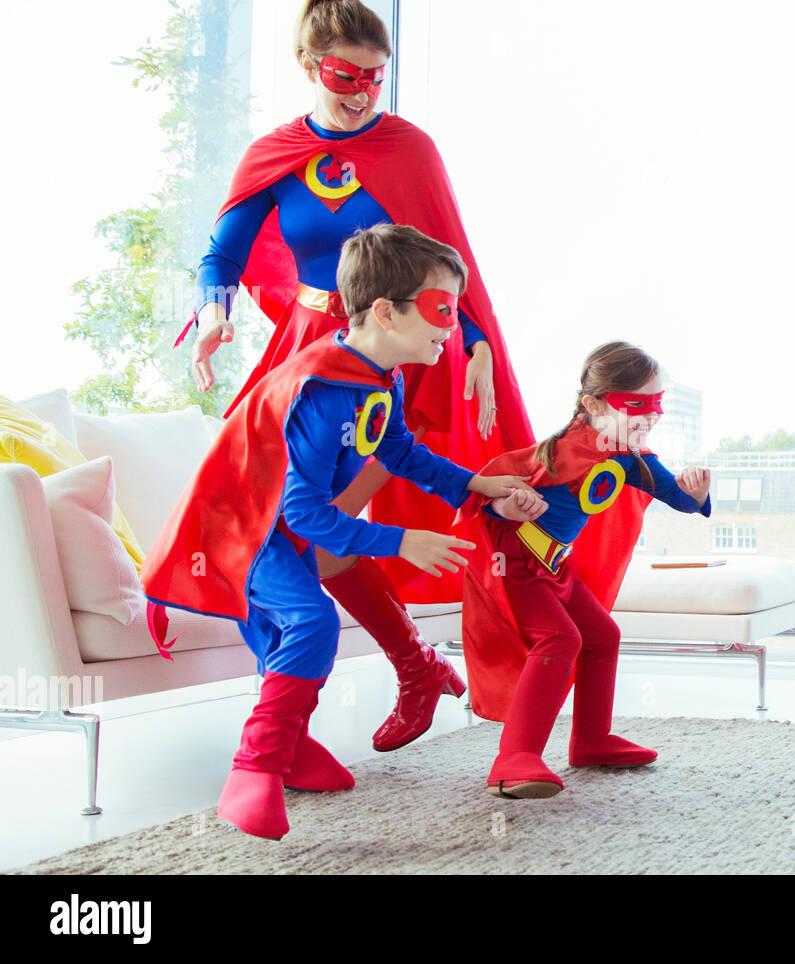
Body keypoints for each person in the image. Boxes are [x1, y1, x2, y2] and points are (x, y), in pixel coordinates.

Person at [182, 0, 533, 752]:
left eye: (378, 76)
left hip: (386, 359)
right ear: (310, 66)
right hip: (303, 357)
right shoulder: (274, 154)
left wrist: (472, 339)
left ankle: (385, 681)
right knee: (261, 529)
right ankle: (369, 688)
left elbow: (446, 263)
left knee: (323, 530)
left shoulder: (408, 149)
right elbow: (222, 256)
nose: (364, 90)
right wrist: (214, 313)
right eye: (347, 74)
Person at [141, 224, 535, 838]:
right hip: (240, 536)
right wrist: (402, 540)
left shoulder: (378, 376)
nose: (451, 327)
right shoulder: (324, 389)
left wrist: (470, 485)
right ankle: (255, 767)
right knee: (310, 622)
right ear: (384, 310)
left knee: (292, 637)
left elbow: (399, 451)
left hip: (276, 532)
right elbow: (303, 514)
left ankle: (290, 750)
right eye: (441, 310)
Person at [455, 342, 712, 799]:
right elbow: (489, 493)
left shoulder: (627, 455)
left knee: (601, 636)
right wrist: (508, 505)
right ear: (593, 403)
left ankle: (591, 740)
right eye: (636, 404)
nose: (651, 415)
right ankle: (513, 758)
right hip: (515, 564)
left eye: (656, 403)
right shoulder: (564, 453)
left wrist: (695, 493)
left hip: (554, 565)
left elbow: (676, 496)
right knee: (561, 639)